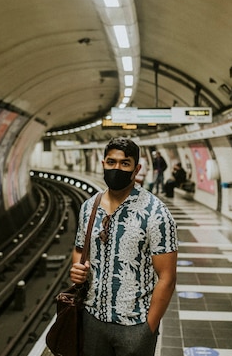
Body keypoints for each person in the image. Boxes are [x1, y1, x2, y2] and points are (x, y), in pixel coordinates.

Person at [70, 137, 178, 356]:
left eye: (124, 163)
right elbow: (80, 249)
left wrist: (149, 327)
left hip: (135, 324)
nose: (116, 168)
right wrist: (77, 269)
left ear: (136, 168)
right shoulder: (89, 207)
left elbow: (167, 276)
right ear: (103, 164)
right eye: (111, 162)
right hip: (92, 319)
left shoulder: (156, 213)